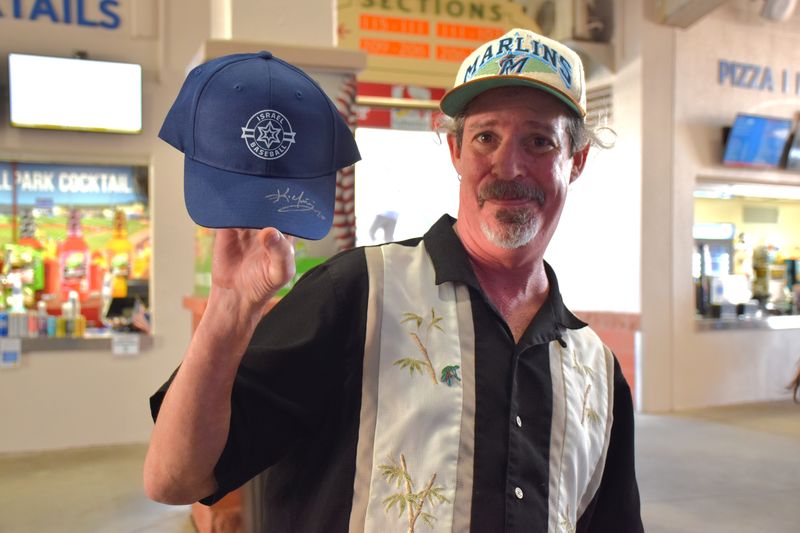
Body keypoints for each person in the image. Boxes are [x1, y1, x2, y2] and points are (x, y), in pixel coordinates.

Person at [144, 28, 644, 532]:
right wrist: (230, 307)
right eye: (486, 137)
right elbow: (175, 478)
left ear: (575, 161)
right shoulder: (356, 295)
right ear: (456, 150)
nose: (508, 166)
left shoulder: (596, 371)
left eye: (538, 141)